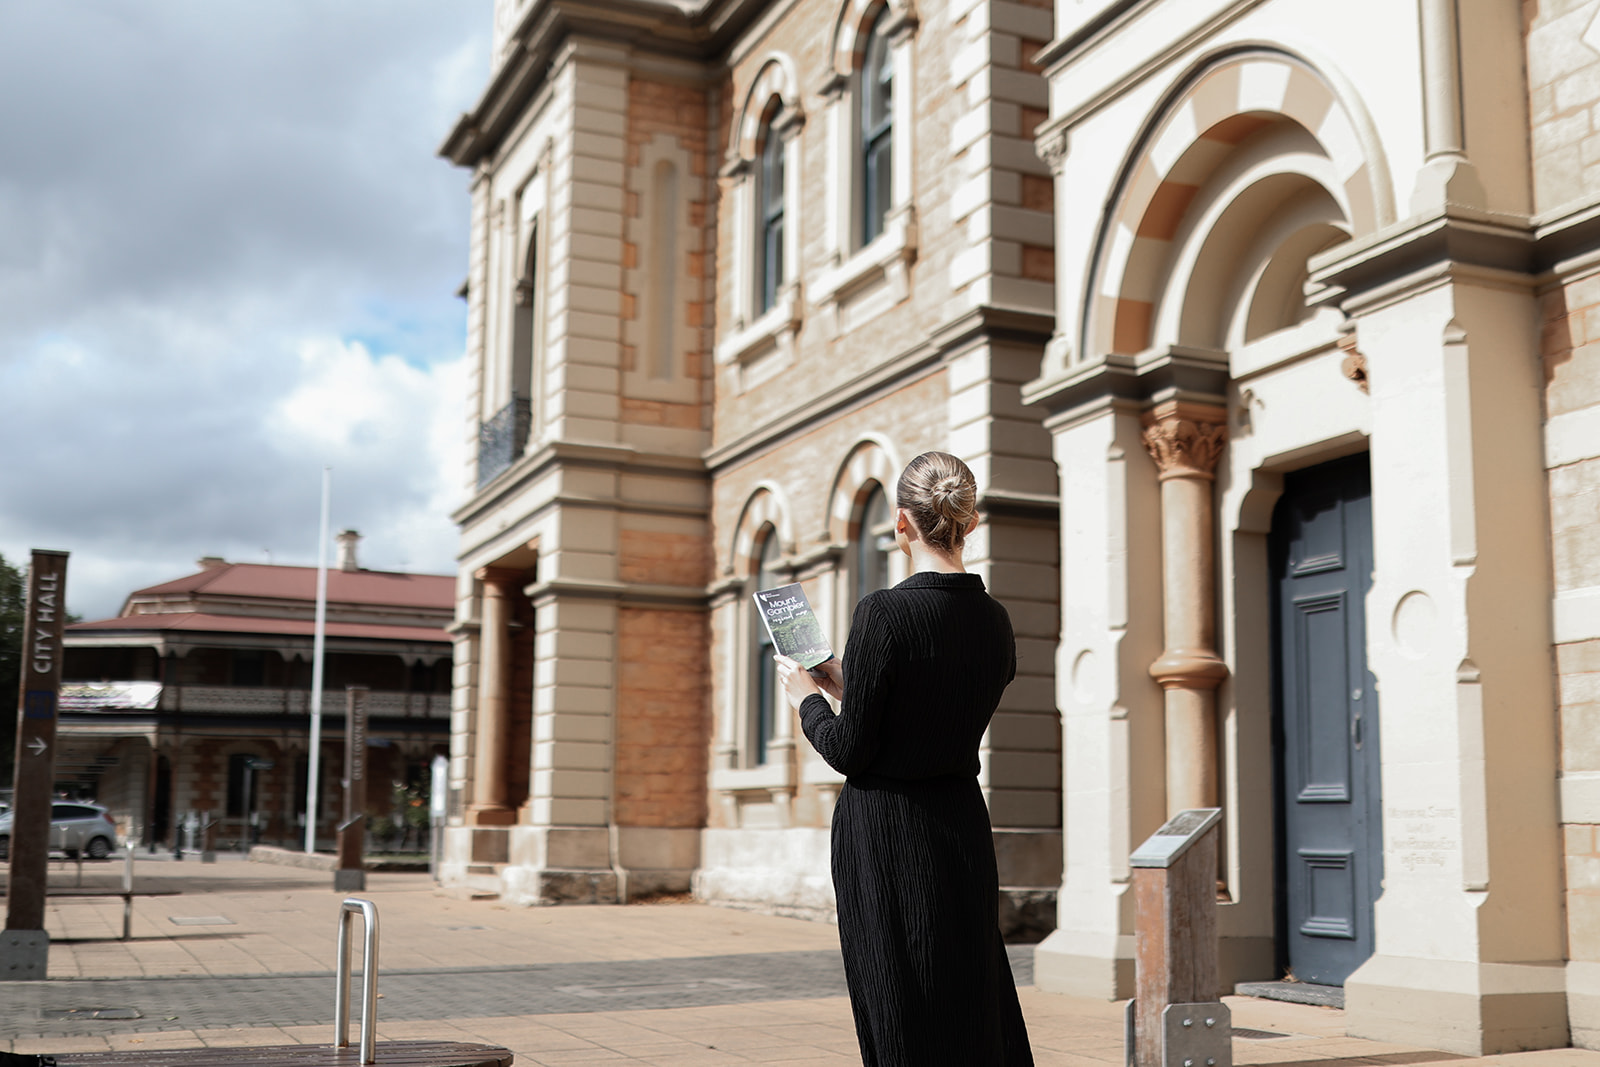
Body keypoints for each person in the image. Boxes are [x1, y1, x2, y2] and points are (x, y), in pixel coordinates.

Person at [775, 451, 1033, 1067]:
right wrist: (850, 682)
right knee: (970, 992)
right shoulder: (995, 621)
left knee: (899, 1002)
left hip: (888, 833)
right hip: (960, 827)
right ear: (968, 524)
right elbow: (935, 706)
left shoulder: (882, 612)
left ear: (901, 523)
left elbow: (848, 751)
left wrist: (808, 698)